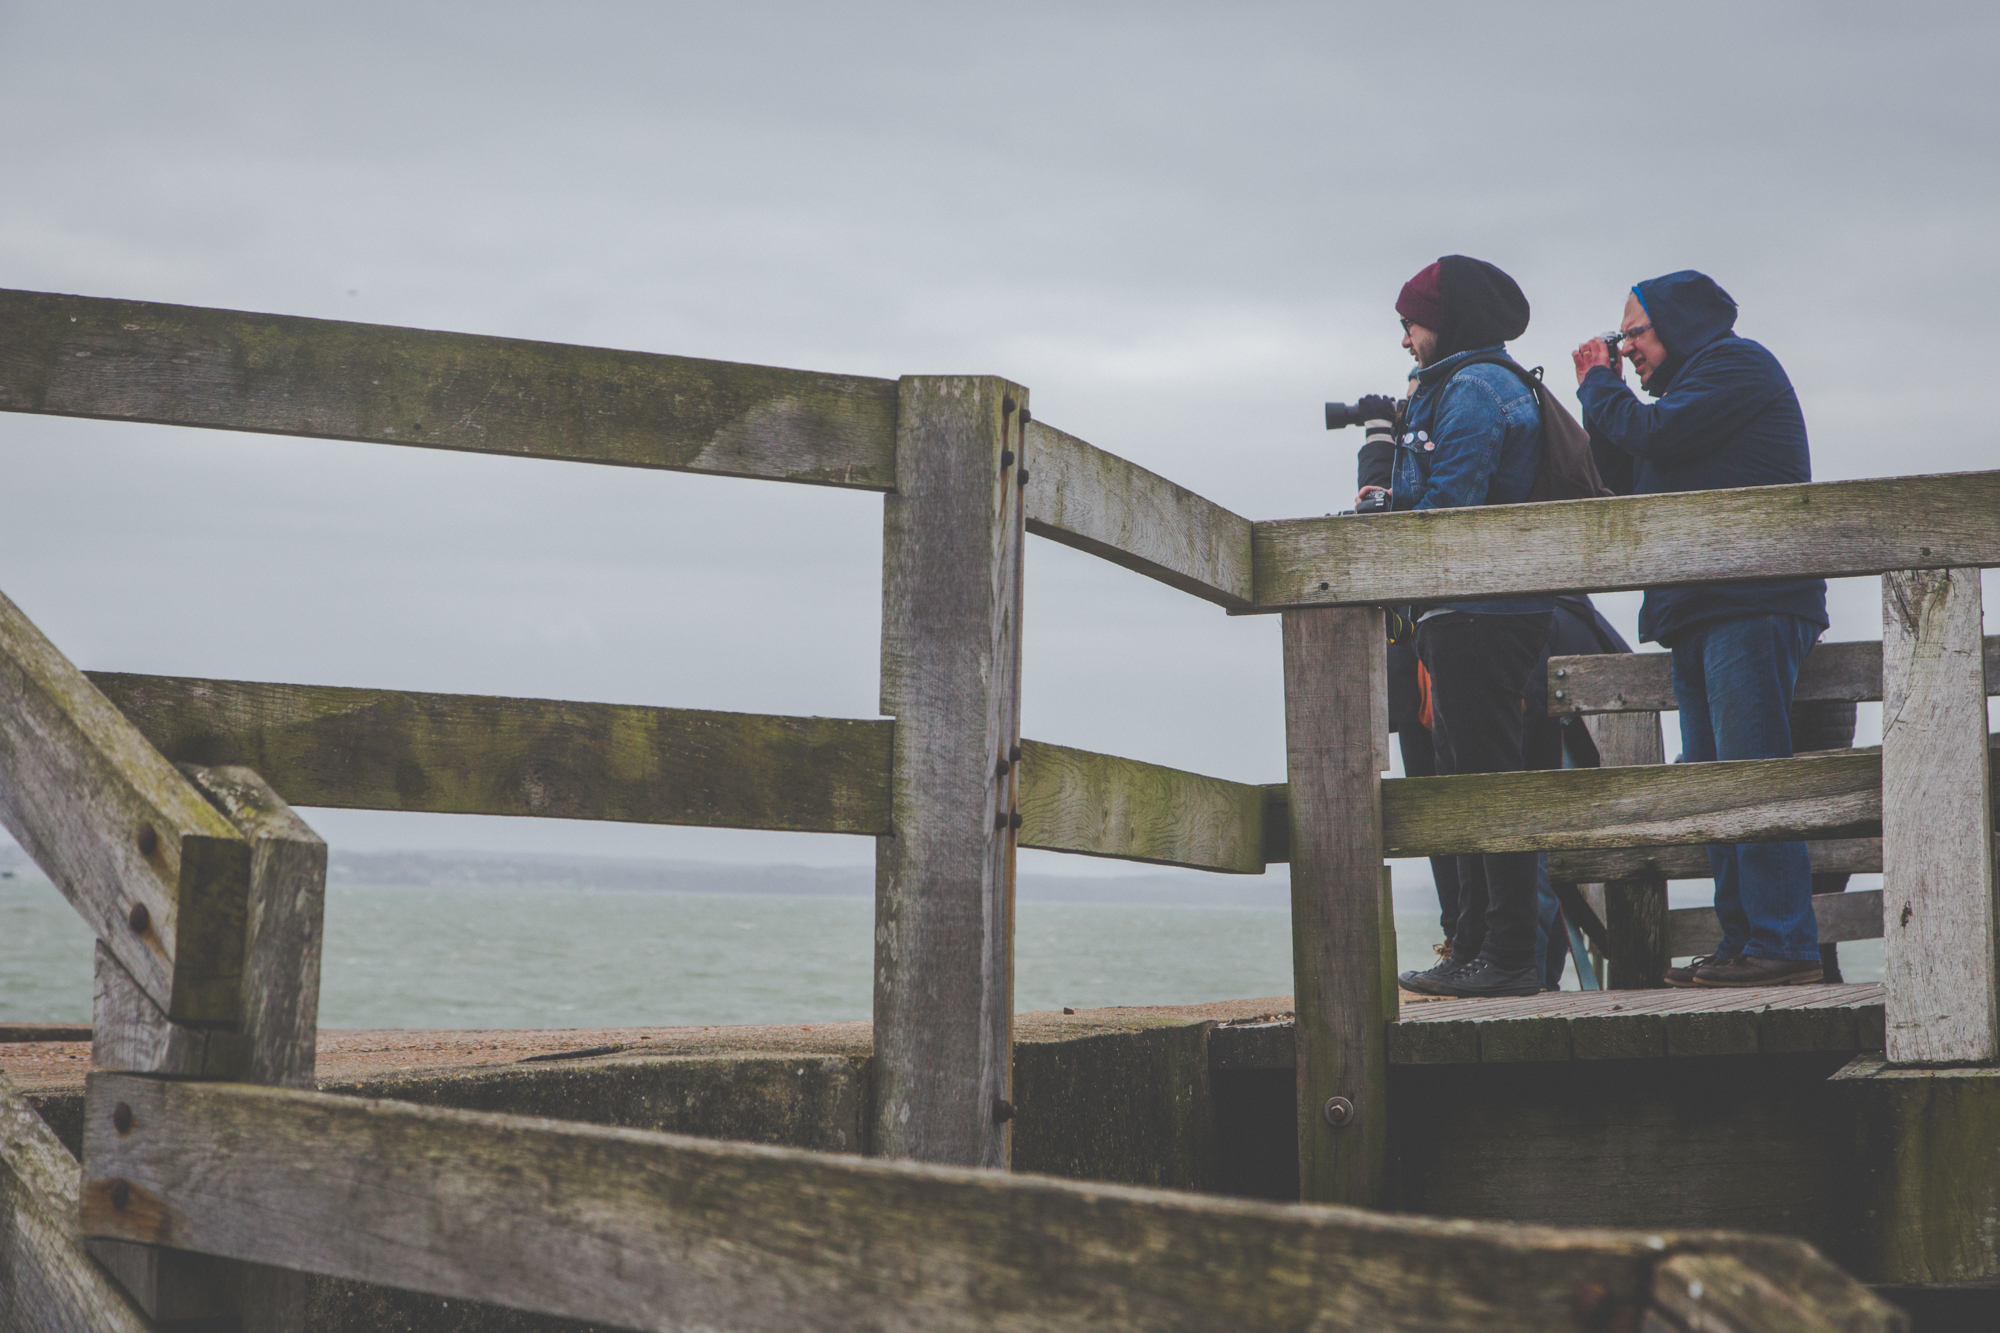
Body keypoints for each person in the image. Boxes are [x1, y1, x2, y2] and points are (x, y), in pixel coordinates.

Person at [1572, 271, 1829, 987]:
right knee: (1715, 784)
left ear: (1678, 324)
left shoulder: (1735, 366)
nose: (1628, 347)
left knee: (1749, 776)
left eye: (1636, 333)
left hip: (1749, 601)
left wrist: (1599, 382)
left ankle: (1785, 942)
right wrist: (1605, 395)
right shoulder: (1686, 399)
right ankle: (1745, 941)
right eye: (1622, 337)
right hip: (1704, 608)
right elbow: (1630, 467)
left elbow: (1651, 431)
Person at [1385, 256, 1553, 999]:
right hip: (1462, 614)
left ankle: (1508, 952)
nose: (1406, 341)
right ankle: (1478, 946)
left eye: (1411, 324)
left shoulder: (1477, 389)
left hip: (1483, 612)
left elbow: (1450, 503)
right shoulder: (1458, 384)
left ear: (1445, 321)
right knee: (1467, 778)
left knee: (1486, 782)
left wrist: (1388, 518)